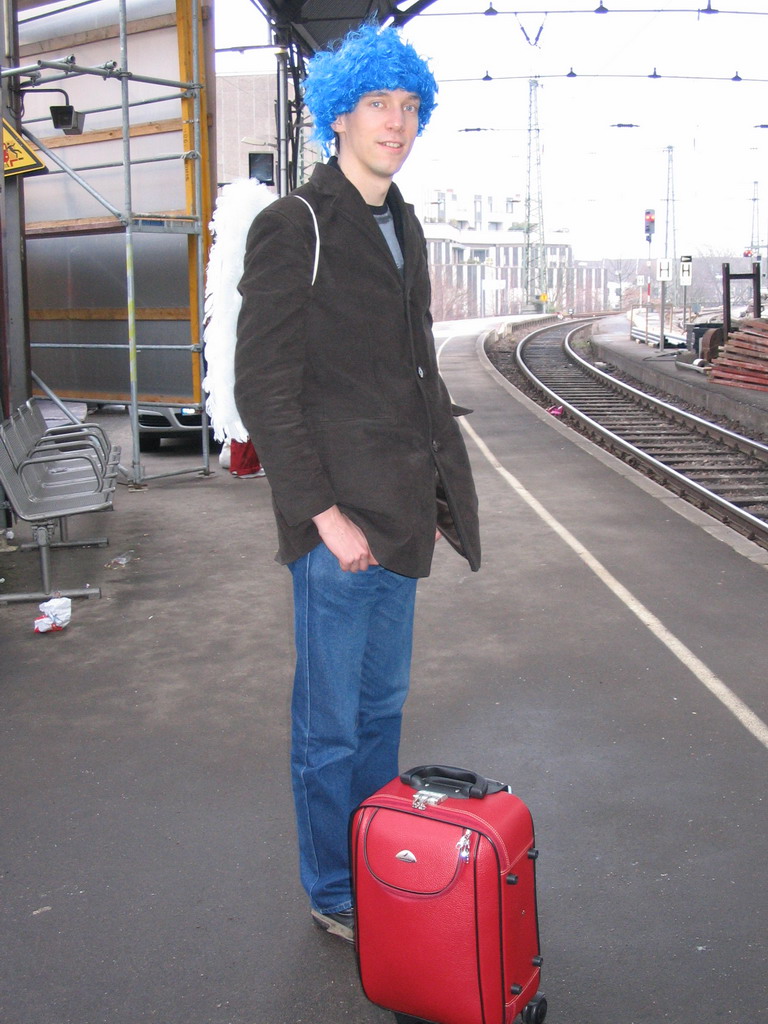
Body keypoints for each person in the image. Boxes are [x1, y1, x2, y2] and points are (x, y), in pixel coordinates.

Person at [234, 22, 481, 944]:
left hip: (400, 512)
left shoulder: (404, 220)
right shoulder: (293, 224)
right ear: (339, 113)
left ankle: (376, 863)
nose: (398, 122)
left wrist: (441, 483)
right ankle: (333, 888)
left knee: (381, 712)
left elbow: (412, 364)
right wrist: (322, 515)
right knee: (329, 727)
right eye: (379, 103)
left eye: (411, 105)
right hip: (337, 524)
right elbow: (265, 386)